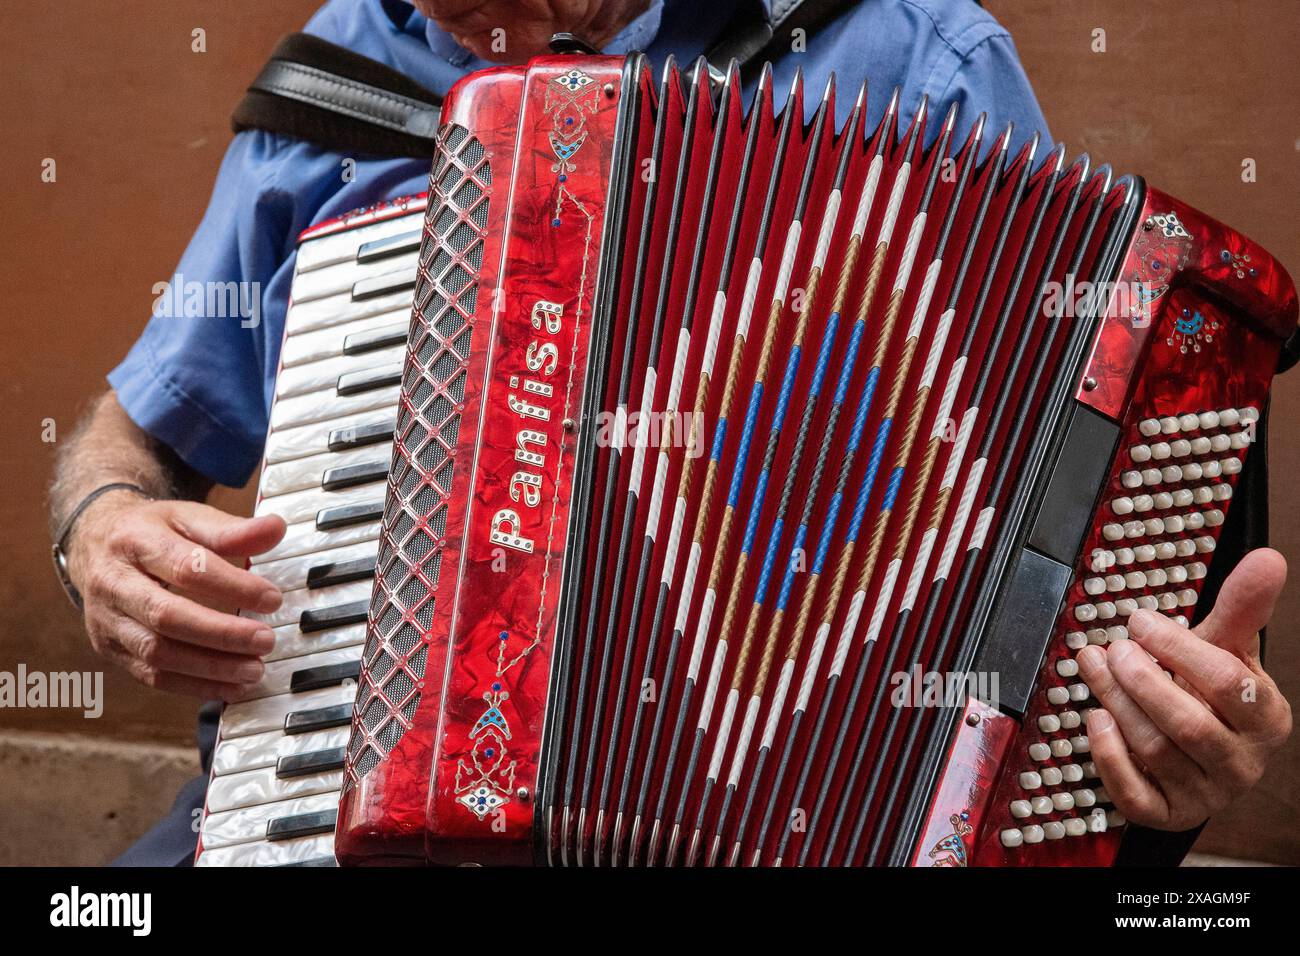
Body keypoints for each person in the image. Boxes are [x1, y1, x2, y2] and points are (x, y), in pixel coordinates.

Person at [47, 0, 1292, 866]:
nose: (489, 38)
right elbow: (132, 435)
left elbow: (1048, 506)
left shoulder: (915, 55)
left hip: (829, 812)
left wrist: (1140, 751)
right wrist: (103, 530)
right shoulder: (332, 91)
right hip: (350, 791)